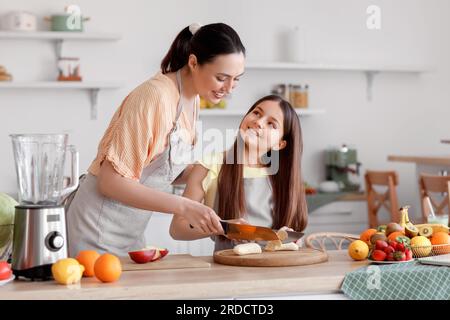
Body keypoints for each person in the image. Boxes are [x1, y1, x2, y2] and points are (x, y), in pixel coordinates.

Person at [66, 23, 246, 257]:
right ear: (193, 63)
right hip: (95, 230)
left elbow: (160, 169)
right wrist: (184, 206)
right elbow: (110, 182)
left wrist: (212, 171)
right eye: (221, 78)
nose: (229, 88)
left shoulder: (192, 100)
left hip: (130, 235)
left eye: (236, 79)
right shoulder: (155, 97)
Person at [169, 95, 308, 251]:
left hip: (275, 269)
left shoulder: (283, 177)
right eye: (257, 113)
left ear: (280, 144)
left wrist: (290, 238)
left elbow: (294, 233)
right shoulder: (209, 165)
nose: (259, 122)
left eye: (271, 124)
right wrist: (224, 228)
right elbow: (177, 229)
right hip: (226, 271)